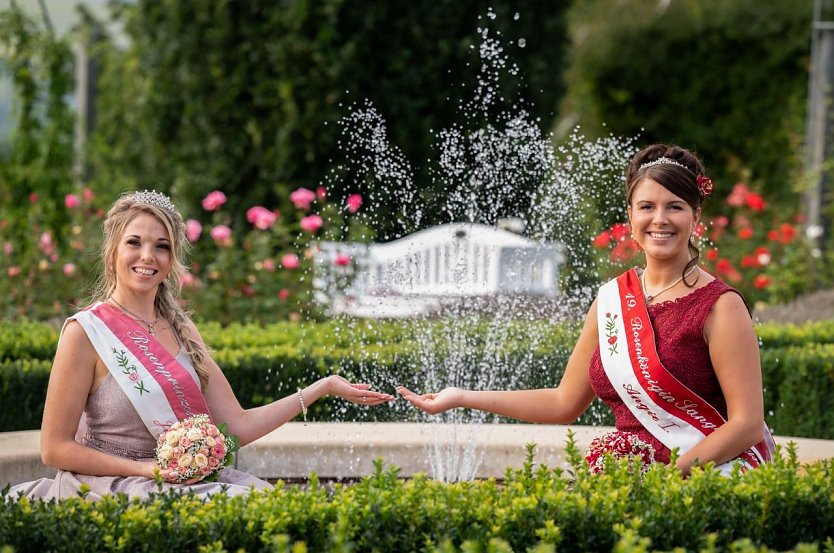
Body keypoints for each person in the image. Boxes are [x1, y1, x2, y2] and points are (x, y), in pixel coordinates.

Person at [399, 144, 774, 475]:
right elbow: (564, 402)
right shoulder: (611, 300)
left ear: (694, 216)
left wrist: (671, 476)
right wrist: (463, 396)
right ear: (630, 216)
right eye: (647, 206)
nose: (659, 219)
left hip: (705, 478)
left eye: (674, 207)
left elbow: (746, 424)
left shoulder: (720, 307)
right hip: (628, 474)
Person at [10, 190, 393, 500]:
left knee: (271, 502)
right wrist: (147, 470)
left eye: (161, 246)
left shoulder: (181, 329)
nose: (148, 256)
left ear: (172, 257)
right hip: (114, 486)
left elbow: (235, 426)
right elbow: (54, 448)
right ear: (112, 251)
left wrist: (320, 388)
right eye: (134, 243)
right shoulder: (86, 332)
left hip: (179, 483)